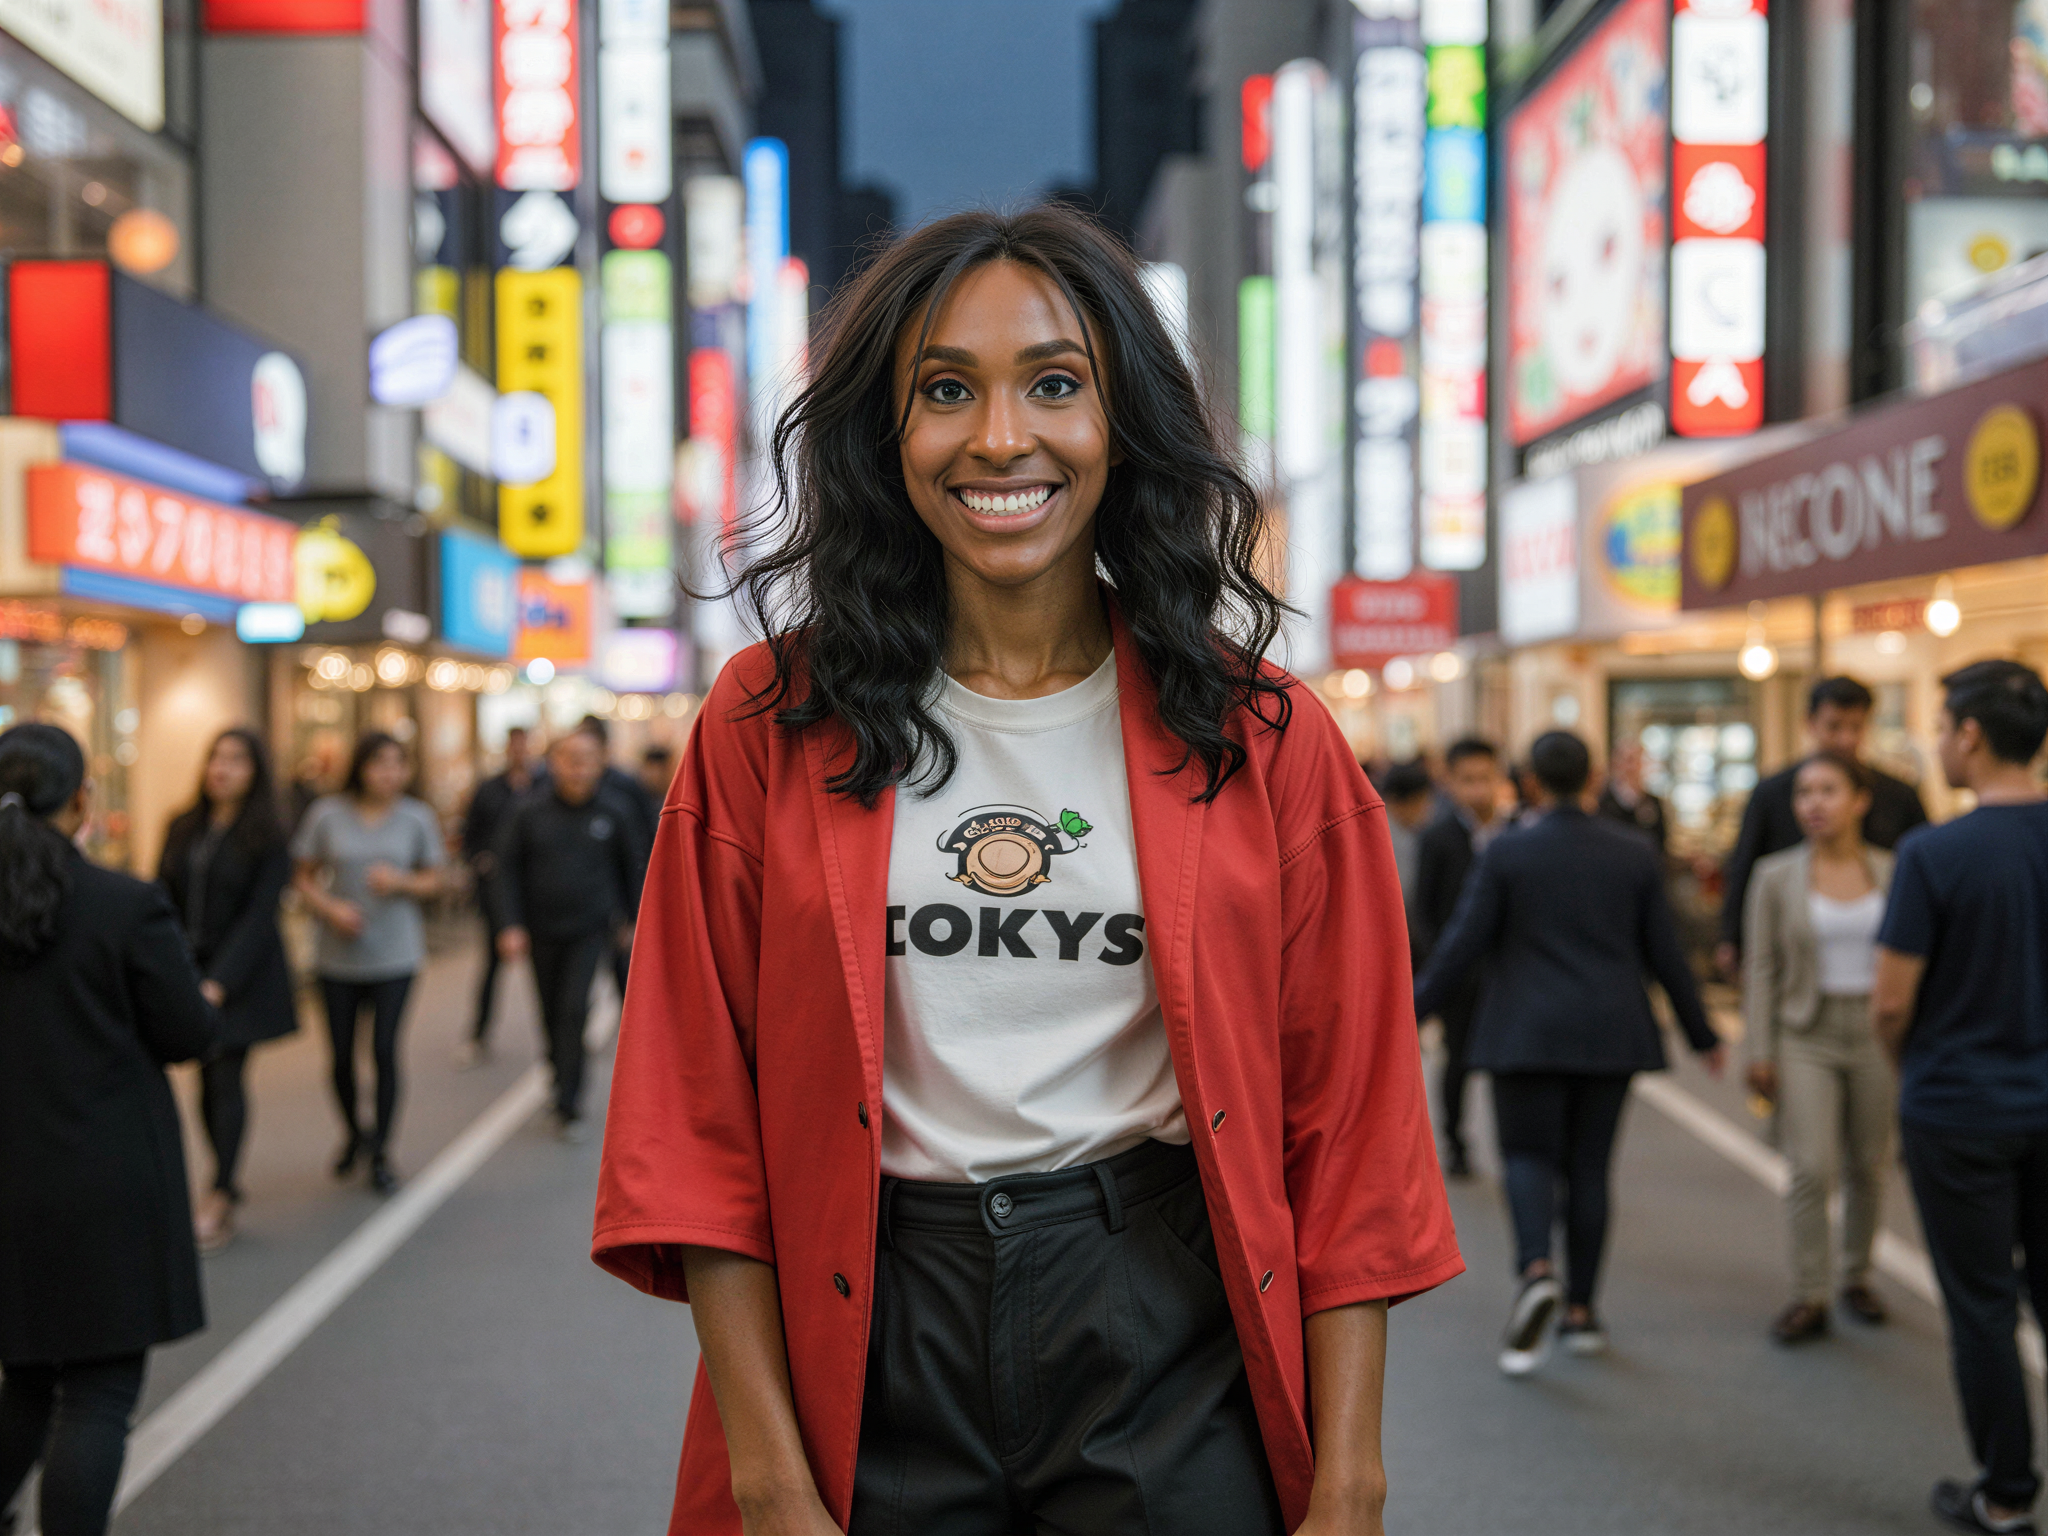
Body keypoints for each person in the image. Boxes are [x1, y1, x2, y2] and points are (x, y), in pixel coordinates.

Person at [591, 206, 1461, 1536]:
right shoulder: (766, 722)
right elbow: (693, 1121)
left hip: (1162, 1317)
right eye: (945, 390)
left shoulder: (1264, 737)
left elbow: (1350, 1137)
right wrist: (769, 1475)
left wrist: (1350, 1482)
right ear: (887, 436)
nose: (1001, 438)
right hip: (876, 1320)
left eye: (1056, 384)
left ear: (1125, 423)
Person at [1416, 729, 1723, 1375]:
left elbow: (1463, 944)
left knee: (1527, 1155)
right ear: (1589, 780)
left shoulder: (1506, 853)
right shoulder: (1634, 852)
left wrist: (1408, 1014)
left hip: (1524, 1030)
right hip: (1609, 1032)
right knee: (1589, 1169)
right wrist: (1702, 1034)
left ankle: (1535, 1270)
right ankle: (1582, 1312)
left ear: (1529, 784)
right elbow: (1664, 951)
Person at [0, 723, 219, 1536]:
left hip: (9, 1178)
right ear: (83, 801)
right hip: (106, 1174)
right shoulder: (120, 904)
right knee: (96, 1391)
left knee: (26, 1376)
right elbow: (188, 1033)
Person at [1873, 660, 2048, 1536]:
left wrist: (1910, 1070)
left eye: (1943, 725)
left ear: (1970, 737)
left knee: (1981, 1304)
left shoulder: (1933, 853)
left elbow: (1891, 999)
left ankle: (2008, 1494)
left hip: (1960, 1108)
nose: (1939, 741)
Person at [1741, 752, 1895, 1344]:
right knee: (1812, 1166)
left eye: (1829, 790)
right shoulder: (1775, 876)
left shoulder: (1893, 869)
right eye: (1805, 792)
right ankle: (1810, 1292)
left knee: (1870, 1163)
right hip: (1805, 1030)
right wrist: (1760, 1047)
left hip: (1876, 1031)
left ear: (1860, 800)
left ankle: (1856, 1275)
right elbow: (1761, 967)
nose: (1814, 803)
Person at [156, 728, 297, 1254]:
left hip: (243, 977)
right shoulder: (182, 825)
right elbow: (160, 896)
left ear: (255, 772)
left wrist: (220, 981)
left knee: (225, 1075)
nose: (223, 768)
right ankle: (221, 1181)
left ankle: (222, 1189)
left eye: (237, 760)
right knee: (204, 1079)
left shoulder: (267, 835)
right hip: (189, 969)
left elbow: (261, 916)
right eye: (217, 757)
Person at [291, 732, 445, 1194]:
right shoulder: (326, 814)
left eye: (398, 764)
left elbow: (437, 879)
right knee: (340, 1058)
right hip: (337, 957)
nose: (389, 773)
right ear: (360, 766)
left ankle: (381, 1150)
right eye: (380, 763)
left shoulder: (417, 817)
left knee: (383, 1051)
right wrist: (330, 908)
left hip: (396, 954)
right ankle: (354, 1134)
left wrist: (401, 882)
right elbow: (302, 875)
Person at [493, 730, 648, 1140]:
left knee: (574, 1009)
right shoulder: (528, 812)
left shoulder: (614, 812)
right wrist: (509, 924)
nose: (578, 768)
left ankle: (571, 1101)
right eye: (569, 758)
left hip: (591, 929)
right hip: (541, 928)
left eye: (587, 759)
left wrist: (633, 920)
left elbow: (633, 867)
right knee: (548, 1011)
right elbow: (505, 870)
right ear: (553, 762)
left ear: (601, 763)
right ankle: (558, 1073)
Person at [1719, 675, 1929, 974]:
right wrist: (1731, 937)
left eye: (1855, 727)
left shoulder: (1899, 795)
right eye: (1834, 726)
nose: (1846, 739)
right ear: (1811, 723)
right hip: (1791, 940)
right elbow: (1745, 864)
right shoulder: (1772, 793)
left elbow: (1920, 867)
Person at [1413, 737, 1506, 1178]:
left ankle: (1513, 1144)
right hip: (1458, 975)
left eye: (1485, 778)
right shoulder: (1439, 837)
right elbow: (1423, 909)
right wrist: (1439, 967)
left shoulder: (1516, 831)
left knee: (1511, 1061)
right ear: (1449, 783)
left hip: (1508, 972)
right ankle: (1455, 1140)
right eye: (1467, 780)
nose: (1477, 789)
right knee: (1458, 1060)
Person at [455, 724, 541, 1067]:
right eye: (514, 745)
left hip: (538, 892)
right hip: (498, 891)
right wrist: (480, 861)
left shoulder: (544, 787)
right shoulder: (488, 790)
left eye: (524, 745)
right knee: (491, 965)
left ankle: (554, 1040)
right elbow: (469, 836)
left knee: (546, 969)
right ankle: (478, 1033)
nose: (519, 751)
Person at [577, 715, 658, 1006]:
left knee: (626, 975)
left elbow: (645, 839)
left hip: (618, 898)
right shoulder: (560, 789)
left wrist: (636, 911)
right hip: (579, 907)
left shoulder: (624, 786)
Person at [1378, 757, 1436, 922]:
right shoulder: (1391, 839)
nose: (1427, 810)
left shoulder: (1411, 833)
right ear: (1398, 802)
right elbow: (1407, 894)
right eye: (1422, 802)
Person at [1597, 738, 1669, 854]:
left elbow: (1660, 841)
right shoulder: (1602, 802)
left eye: (1638, 760)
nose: (1633, 767)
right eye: (1628, 760)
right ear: (1616, 763)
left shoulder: (1652, 802)